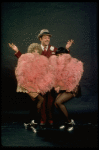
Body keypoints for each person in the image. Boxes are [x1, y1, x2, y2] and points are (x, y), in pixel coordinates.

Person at [49, 47, 83, 131]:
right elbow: (57, 78)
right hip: (63, 88)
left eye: (62, 54)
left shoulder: (71, 63)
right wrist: (57, 86)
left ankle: (69, 122)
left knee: (58, 102)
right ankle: (66, 121)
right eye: (58, 55)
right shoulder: (57, 65)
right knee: (56, 104)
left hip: (72, 88)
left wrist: (62, 87)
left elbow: (73, 78)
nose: (60, 56)